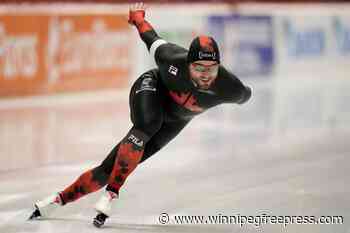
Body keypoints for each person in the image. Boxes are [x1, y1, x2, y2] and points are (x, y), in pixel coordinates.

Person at [29, 2, 252, 228]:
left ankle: (56, 201)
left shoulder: (231, 87)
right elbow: (150, 36)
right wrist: (137, 17)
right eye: (199, 68)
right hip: (151, 88)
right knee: (148, 124)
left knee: (111, 169)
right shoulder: (170, 58)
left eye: (211, 69)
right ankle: (112, 194)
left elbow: (246, 95)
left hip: (176, 120)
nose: (205, 75)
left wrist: (243, 95)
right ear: (187, 64)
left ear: (219, 67)